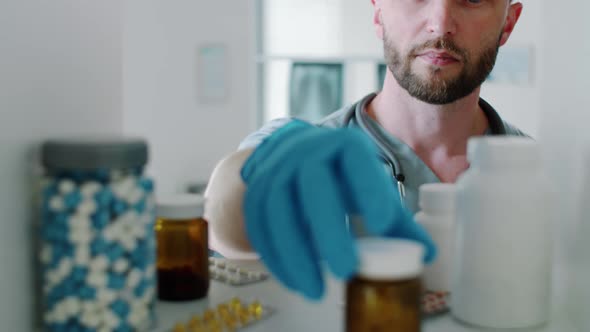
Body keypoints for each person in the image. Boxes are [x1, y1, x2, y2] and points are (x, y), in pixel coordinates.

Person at [204, 0, 525, 300]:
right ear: (378, 13)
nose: (440, 24)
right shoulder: (314, 151)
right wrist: (250, 185)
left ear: (507, 24)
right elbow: (229, 209)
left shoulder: (543, 174)